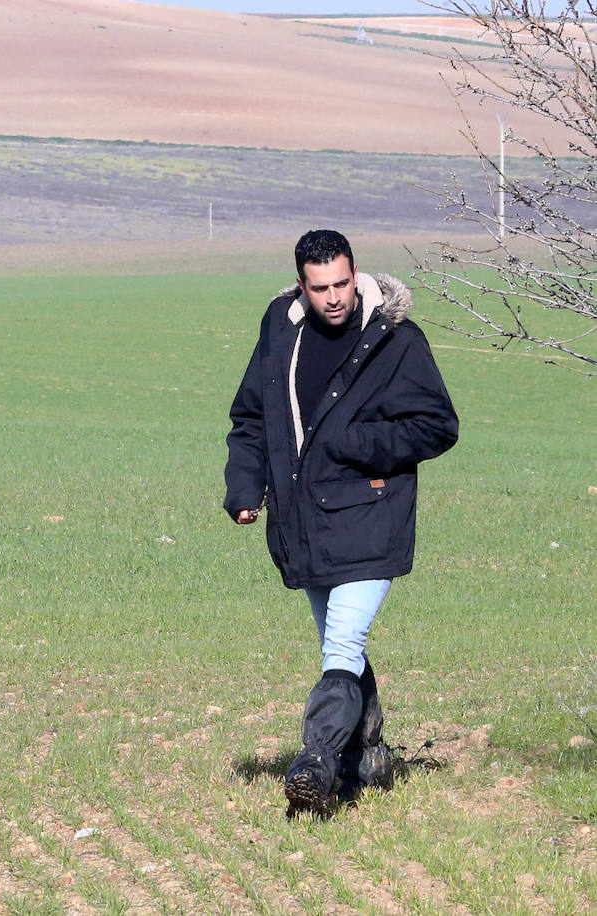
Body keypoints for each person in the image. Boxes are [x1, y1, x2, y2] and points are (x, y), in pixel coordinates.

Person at [223, 230, 459, 818]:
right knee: (342, 649)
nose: (333, 297)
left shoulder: (397, 341)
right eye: (320, 286)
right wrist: (245, 488)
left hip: (370, 516)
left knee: (341, 647)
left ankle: (316, 764)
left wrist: (353, 443)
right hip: (303, 521)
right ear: (301, 284)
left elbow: (437, 425)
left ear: (357, 275)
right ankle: (370, 756)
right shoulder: (282, 328)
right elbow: (252, 416)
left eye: (342, 284)